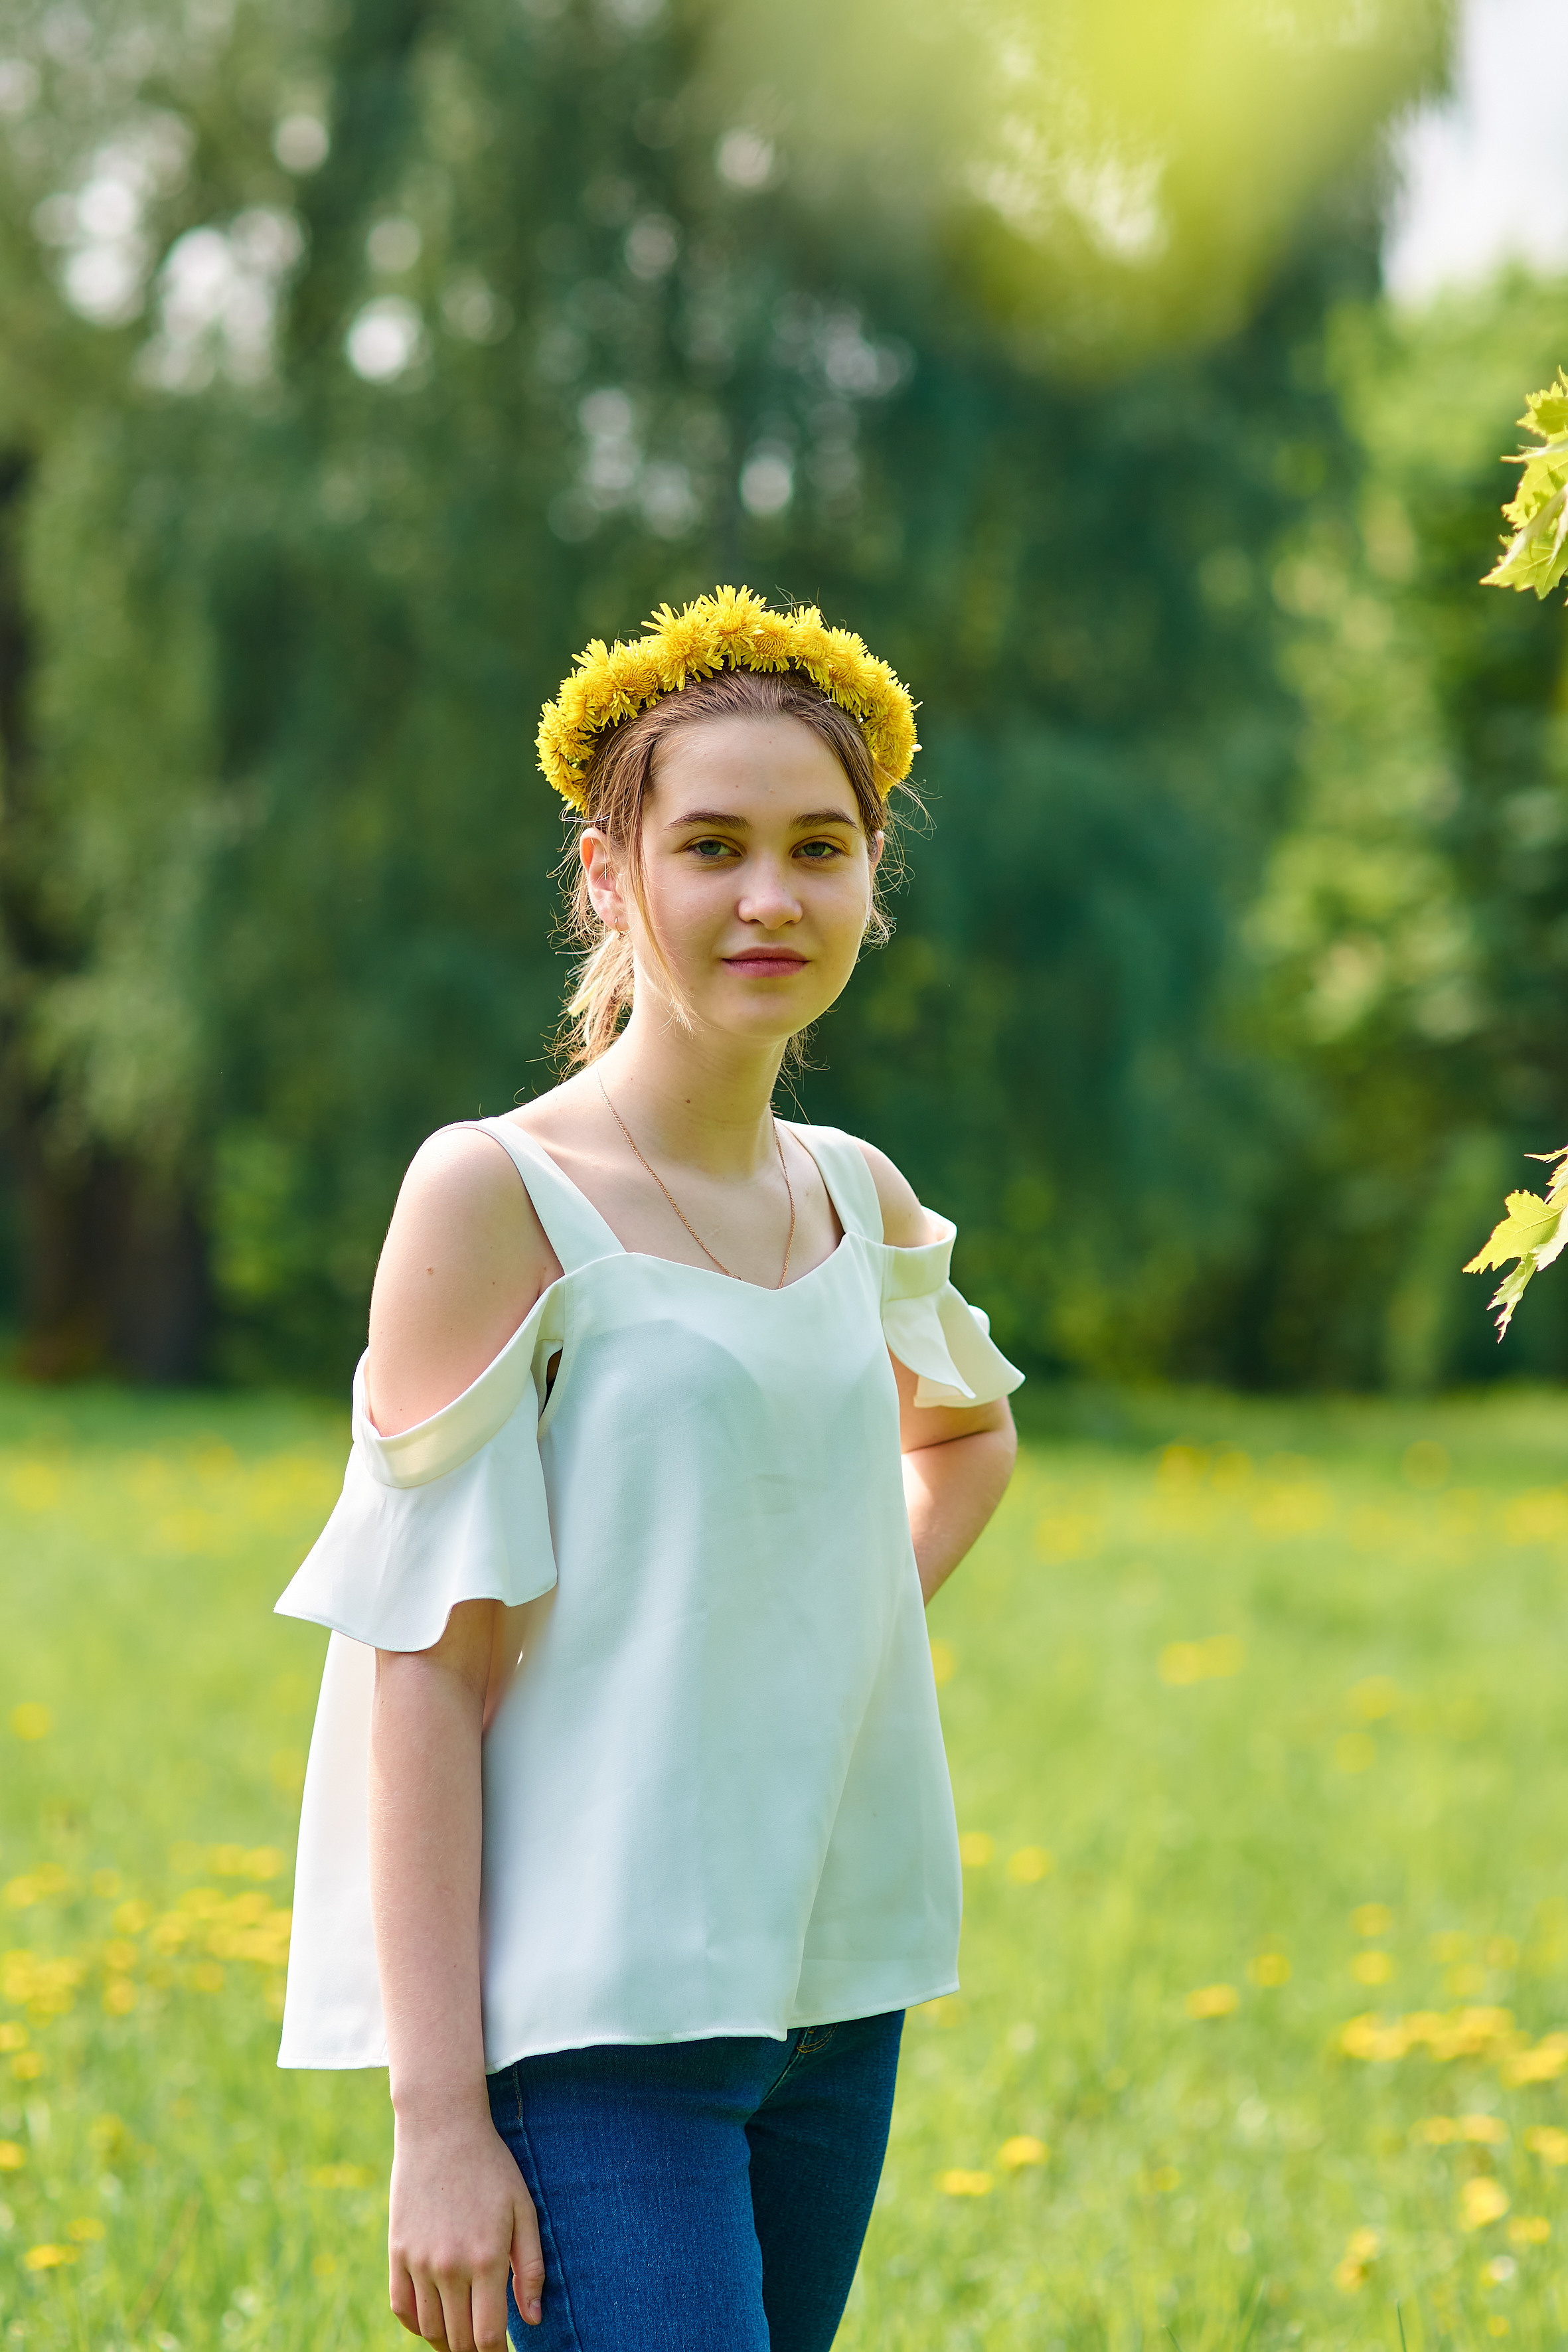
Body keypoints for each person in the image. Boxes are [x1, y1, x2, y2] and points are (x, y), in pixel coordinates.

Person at [274, 586, 1023, 2352]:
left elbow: (965, 1440)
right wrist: (437, 2124)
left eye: (817, 848)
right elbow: (417, 1671)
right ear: (609, 876)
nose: (770, 897)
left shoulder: (857, 1190)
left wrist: (801, 1640)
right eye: (711, 845)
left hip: (829, 1993)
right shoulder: (489, 1195)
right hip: (590, 2021)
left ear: (866, 880)